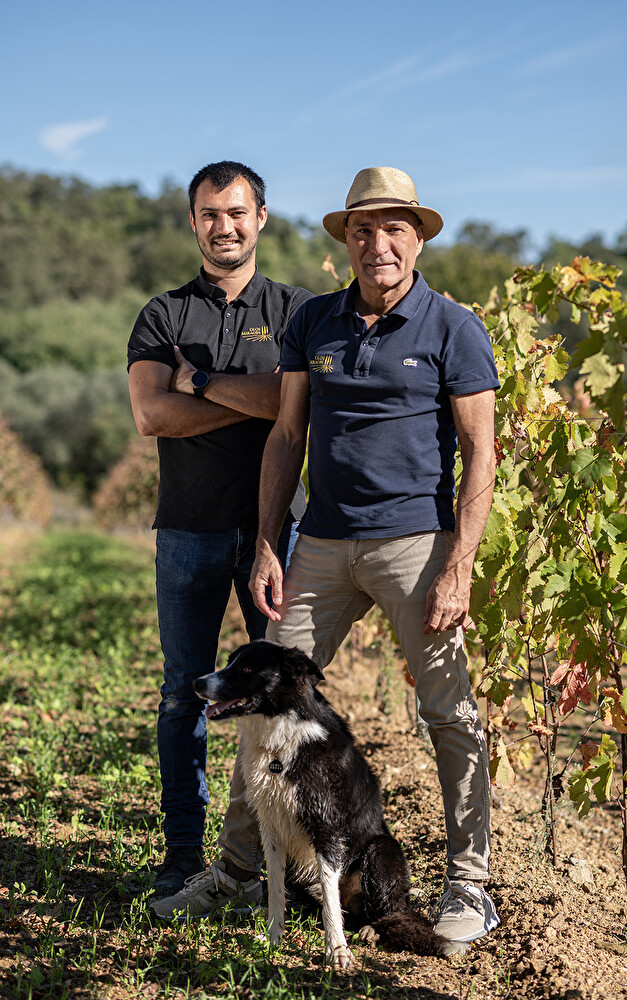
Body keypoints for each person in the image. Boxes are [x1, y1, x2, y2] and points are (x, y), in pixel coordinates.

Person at [152, 166, 500, 954]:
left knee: (449, 713)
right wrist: (269, 544)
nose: (379, 244)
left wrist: (460, 564)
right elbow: (286, 435)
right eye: (364, 230)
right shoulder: (315, 321)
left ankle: (469, 886)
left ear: (417, 239)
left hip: (416, 544)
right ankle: (239, 872)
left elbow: (481, 452)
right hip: (323, 542)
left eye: (395, 229)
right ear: (347, 240)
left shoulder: (454, 327)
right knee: (260, 697)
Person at [127, 160, 312, 896]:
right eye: (210, 214)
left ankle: (280, 859)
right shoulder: (164, 315)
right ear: (193, 222)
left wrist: (199, 383)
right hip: (188, 530)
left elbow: (298, 407)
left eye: (237, 213)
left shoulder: (298, 311)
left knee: (286, 692)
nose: (223, 226)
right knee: (183, 694)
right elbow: (152, 415)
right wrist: (255, 399)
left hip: (276, 534)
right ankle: (182, 853)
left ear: (260, 217)